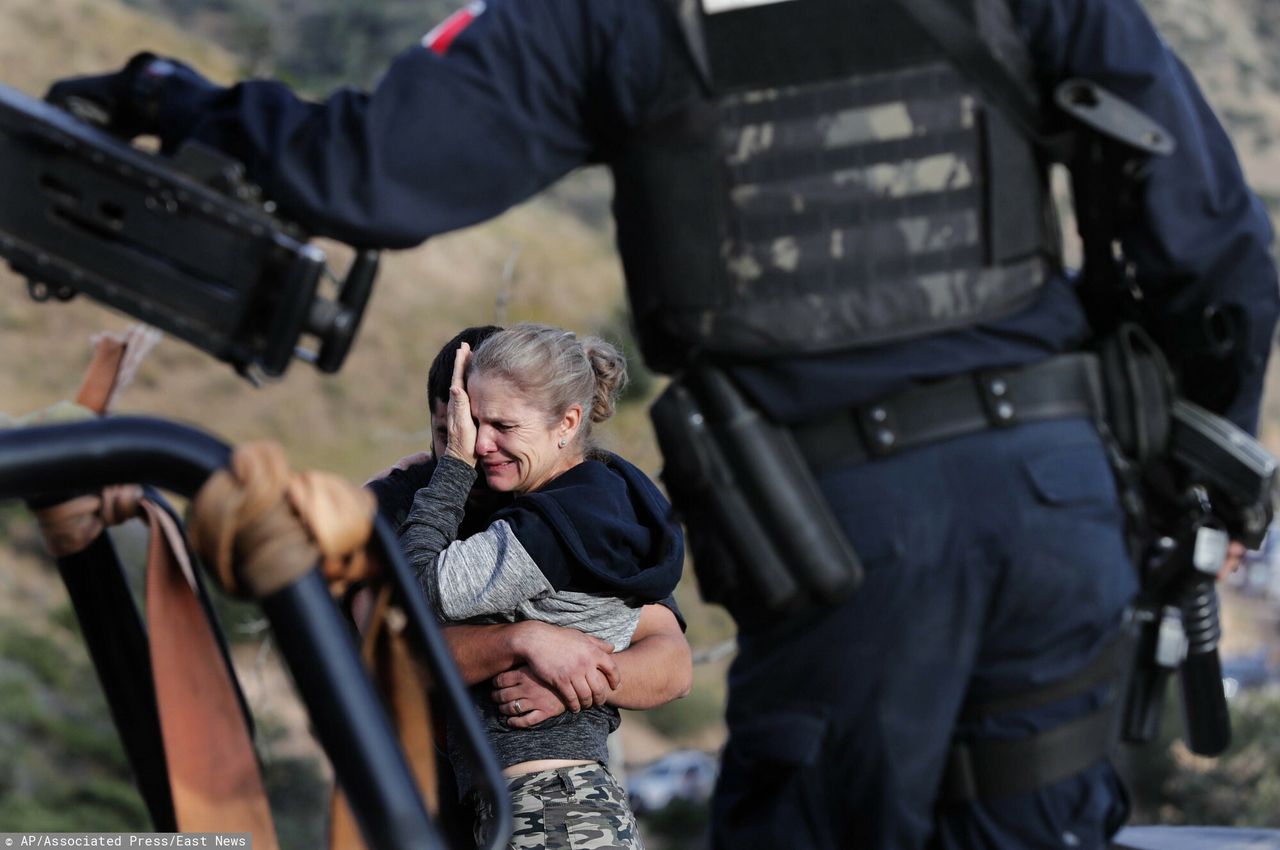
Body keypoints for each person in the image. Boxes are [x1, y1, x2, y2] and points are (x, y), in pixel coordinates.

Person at [45, 1, 1280, 846]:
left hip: (842, 539)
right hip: (1057, 518)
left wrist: (171, 99)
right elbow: (1215, 256)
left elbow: (364, 171)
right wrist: (1184, 485)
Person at [364, 324, 693, 848]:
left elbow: (673, 664)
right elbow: (389, 655)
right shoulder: (607, 499)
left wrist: (577, 683)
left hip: (549, 806)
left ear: (565, 423)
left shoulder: (556, 522)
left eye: (500, 425)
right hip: (512, 806)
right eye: (459, 429)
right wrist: (526, 643)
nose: (478, 446)